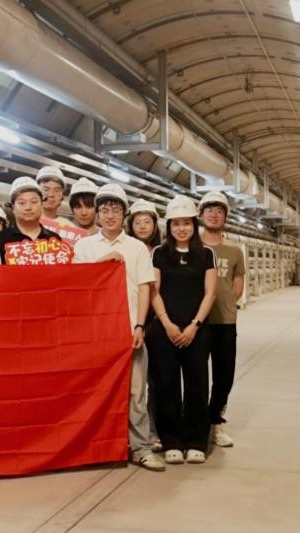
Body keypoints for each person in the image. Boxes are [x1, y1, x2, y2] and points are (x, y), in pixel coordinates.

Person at [73, 184, 164, 472]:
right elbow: (77, 284)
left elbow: (144, 288)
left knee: (136, 393)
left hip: (129, 330)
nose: (110, 215)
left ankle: (140, 448)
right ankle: (100, 448)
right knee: (97, 392)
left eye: (115, 209)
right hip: (96, 333)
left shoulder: (137, 248)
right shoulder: (84, 246)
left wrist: (139, 325)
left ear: (124, 214)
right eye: (104, 210)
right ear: (97, 214)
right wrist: (103, 263)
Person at [147, 195, 217, 465]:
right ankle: (171, 440)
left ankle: (196, 440)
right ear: (169, 227)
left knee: (197, 383)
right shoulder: (159, 253)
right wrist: (166, 323)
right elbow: (154, 290)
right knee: (167, 384)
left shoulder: (206, 254)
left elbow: (210, 293)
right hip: (165, 329)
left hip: (196, 330)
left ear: (194, 225)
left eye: (186, 223)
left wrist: (194, 325)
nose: (181, 229)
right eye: (176, 224)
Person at [198, 191, 245, 448]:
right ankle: (196, 424)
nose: (214, 215)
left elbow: (238, 285)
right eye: (209, 210)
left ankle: (215, 421)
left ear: (225, 217)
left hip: (225, 321)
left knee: (224, 375)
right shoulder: (192, 246)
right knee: (196, 376)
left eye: (219, 211)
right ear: (201, 214)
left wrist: (225, 303)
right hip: (196, 322)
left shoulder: (234, 251)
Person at [127, 198, 163, 450]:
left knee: (156, 379)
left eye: (147, 221)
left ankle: (153, 429)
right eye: (137, 222)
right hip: (133, 320)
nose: (142, 226)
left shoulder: (161, 251)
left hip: (155, 320)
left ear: (155, 225)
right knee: (135, 383)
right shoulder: (127, 249)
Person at [0, 176, 62, 263]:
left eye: (34, 202)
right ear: (13, 208)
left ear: (42, 205)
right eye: (22, 203)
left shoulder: (54, 239)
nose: (28, 207)